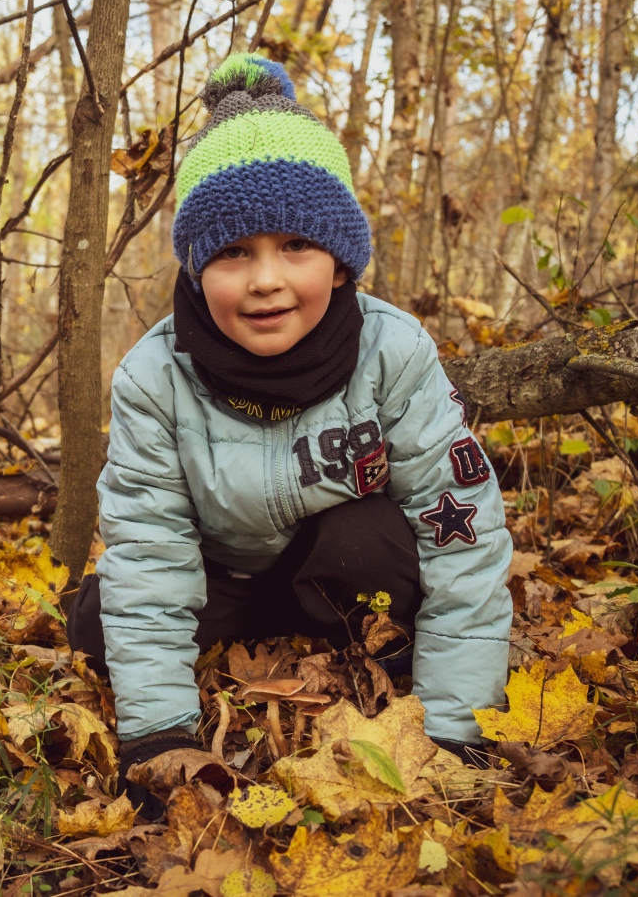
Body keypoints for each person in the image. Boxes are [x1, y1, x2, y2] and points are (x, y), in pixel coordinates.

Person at [65, 54, 510, 808]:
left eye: (294, 247)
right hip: (223, 574)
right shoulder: (154, 377)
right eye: (235, 252)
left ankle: (366, 654)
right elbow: (149, 549)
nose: (265, 279)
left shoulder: (393, 352)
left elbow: (461, 535)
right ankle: (231, 648)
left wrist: (457, 726)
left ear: (339, 263)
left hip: (345, 571)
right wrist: (158, 736)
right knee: (97, 617)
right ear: (199, 268)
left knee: (372, 535)